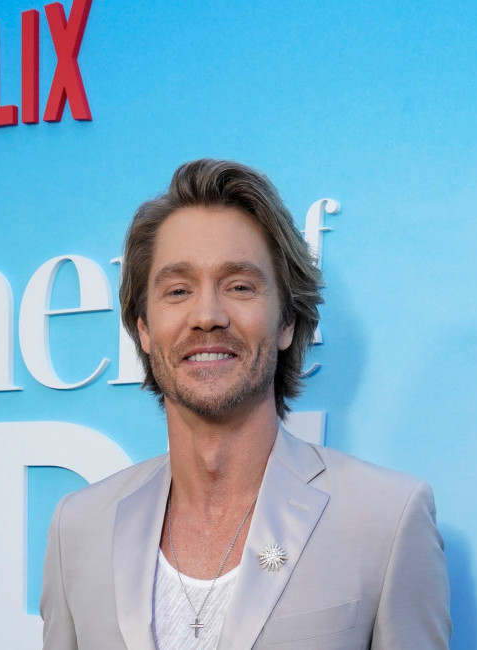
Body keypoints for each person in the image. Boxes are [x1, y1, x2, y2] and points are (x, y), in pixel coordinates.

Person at [40, 159, 451, 649]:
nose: (207, 315)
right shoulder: (77, 527)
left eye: (239, 286)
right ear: (144, 329)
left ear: (287, 323)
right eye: (178, 290)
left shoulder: (387, 519)